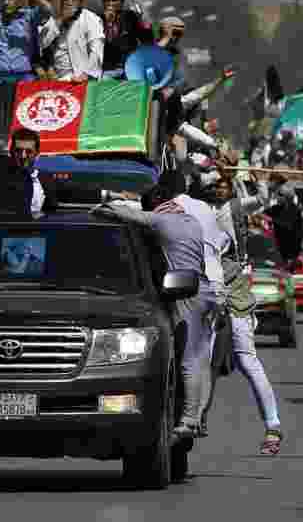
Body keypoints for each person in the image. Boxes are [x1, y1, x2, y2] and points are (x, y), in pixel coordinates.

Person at [91, 173, 209, 440]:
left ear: (158, 201)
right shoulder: (191, 221)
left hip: (183, 291)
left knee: (188, 360)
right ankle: (198, 416)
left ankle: (189, 421)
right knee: (199, 357)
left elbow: (123, 215)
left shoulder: (161, 220)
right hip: (200, 289)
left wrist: (101, 205)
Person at [188, 166, 284, 454]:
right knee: (204, 358)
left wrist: (259, 182)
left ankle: (273, 426)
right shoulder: (191, 209)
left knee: (246, 359)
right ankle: (196, 417)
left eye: (222, 185)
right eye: (213, 185)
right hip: (207, 282)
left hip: (234, 283)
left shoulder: (234, 206)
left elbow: (263, 197)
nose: (218, 189)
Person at [38, 0, 105, 82]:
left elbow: (96, 49)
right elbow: (42, 43)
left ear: (81, 2)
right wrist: (61, 20)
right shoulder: (55, 19)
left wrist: (87, 74)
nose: (69, 2)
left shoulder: (90, 18)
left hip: (81, 77)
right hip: (57, 77)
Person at [98, 0, 151, 79]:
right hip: (105, 71)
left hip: (129, 69)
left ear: (121, 2)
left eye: (114, 0)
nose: (110, 4)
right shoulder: (95, 20)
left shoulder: (131, 17)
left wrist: (144, 19)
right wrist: (109, 23)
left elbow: (147, 40)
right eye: (107, 0)